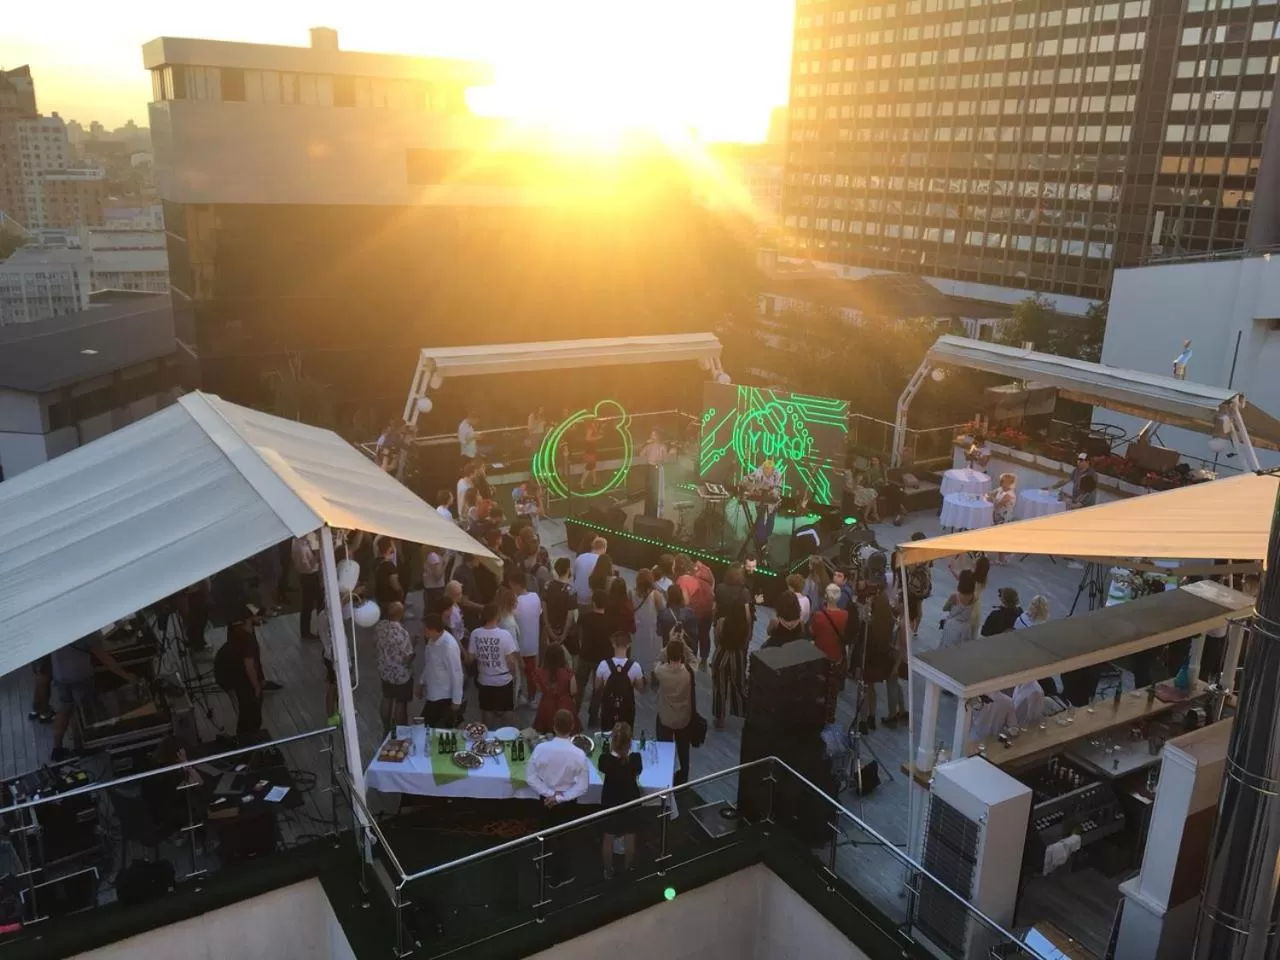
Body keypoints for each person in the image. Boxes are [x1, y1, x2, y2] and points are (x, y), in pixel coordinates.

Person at [526, 709, 591, 889]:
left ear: (554, 726)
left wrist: (549, 794)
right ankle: (559, 875)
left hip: (546, 800)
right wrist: (561, 798)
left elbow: (530, 776)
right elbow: (583, 786)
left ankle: (544, 867)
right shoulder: (578, 755)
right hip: (567, 803)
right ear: (572, 727)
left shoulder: (541, 748)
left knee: (544, 833)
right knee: (564, 838)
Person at [49, 630, 136, 760]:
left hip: (60, 675)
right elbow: (103, 656)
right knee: (85, 711)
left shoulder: (56, 627)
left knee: (65, 708)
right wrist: (127, 676)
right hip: (79, 675)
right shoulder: (85, 628)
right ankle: (84, 746)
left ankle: (57, 748)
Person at [599, 721, 643, 879]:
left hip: (610, 801)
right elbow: (637, 772)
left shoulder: (604, 759)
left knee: (608, 837)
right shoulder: (635, 759)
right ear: (630, 741)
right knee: (630, 836)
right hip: (630, 801)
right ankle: (627, 869)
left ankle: (608, 871)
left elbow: (603, 768)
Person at [466, 604, 521, 728]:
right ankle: (507, 734)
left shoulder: (476, 633)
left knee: (487, 709)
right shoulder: (505, 635)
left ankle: (488, 735)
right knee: (507, 709)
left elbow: (470, 658)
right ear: (497, 617)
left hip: (485, 679)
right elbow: (511, 661)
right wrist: (514, 676)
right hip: (503, 679)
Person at [711, 567, 751, 729]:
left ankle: (719, 717)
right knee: (739, 682)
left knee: (719, 684)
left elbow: (714, 609)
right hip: (737, 645)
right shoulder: (745, 592)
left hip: (722, 640)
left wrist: (716, 625)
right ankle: (742, 711)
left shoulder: (720, 588)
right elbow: (748, 617)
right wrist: (746, 637)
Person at [220, 607, 266, 742]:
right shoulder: (247, 639)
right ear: (248, 619)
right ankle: (249, 738)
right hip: (240, 679)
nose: (260, 618)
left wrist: (261, 676)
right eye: (257, 616)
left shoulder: (241, 633)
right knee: (251, 710)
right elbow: (249, 666)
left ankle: (247, 737)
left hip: (234, 676)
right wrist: (257, 686)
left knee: (247, 710)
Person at [653, 639, 695, 786]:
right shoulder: (688, 672)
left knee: (664, 750)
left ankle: (665, 778)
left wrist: (669, 642)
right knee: (684, 750)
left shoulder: (661, 671)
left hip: (665, 717)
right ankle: (683, 779)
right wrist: (683, 643)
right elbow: (692, 658)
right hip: (683, 718)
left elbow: (658, 659)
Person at [810, 583, 849, 725]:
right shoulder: (845, 615)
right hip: (836, 659)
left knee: (818, 689)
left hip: (821, 658)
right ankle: (829, 719)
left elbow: (812, 633)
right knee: (832, 692)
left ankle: (817, 718)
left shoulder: (819, 616)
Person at [418, 612, 464, 728]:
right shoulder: (431, 641)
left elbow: (457, 674)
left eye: (425, 629)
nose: (422, 631)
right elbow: (429, 663)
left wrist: (456, 700)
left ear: (433, 629)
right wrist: (421, 682)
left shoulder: (449, 647)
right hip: (433, 694)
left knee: (433, 728)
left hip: (444, 697)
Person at [375, 602, 415, 735]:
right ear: (401, 614)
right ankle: (400, 731)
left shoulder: (380, 627)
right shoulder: (402, 633)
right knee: (400, 702)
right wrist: (414, 645)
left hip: (385, 671)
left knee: (387, 698)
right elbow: (407, 657)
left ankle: (386, 729)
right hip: (401, 674)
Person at [578, 589, 614, 723]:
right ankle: (593, 716)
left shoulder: (584, 617)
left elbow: (580, 634)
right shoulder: (610, 622)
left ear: (593, 603)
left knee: (580, 685)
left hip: (585, 655)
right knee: (598, 689)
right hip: (602, 659)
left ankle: (574, 711)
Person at [595, 633, 646, 729]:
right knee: (625, 736)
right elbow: (640, 687)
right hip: (627, 709)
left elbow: (597, 686)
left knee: (607, 735)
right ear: (629, 645)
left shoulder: (603, 665)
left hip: (608, 708)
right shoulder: (635, 666)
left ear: (613, 644)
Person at [675, 555, 715, 668]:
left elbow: (685, 601)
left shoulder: (682, 579)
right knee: (705, 634)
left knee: (693, 636)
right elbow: (712, 585)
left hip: (695, 611)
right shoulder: (704, 568)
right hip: (708, 608)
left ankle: (691, 663)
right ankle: (704, 660)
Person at [511, 572, 544, 707]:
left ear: (517, 585)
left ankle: (519, 696)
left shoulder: (516, 603)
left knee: (517, 674)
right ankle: (531, 698)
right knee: (531, 674)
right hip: (532, 644)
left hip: (519, 646)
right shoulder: (535, 597)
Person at [534, 644, 580, 734]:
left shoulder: (539, 672)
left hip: (546, 705)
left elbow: (539, 689)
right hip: (565, 705)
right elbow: (573, 691)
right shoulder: (568, 672)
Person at [631, 568, 665, 674]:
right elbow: (663, 610)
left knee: (637, 651)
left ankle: (636, 673)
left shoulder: (631, 593)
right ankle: (652, 673)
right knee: (652, 653)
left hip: (636, 629)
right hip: (651, 630)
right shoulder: (656, 595)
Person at [544, 557, 579, 656]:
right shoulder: (571, 590)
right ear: (568, 570)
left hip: (552, 628)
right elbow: (570, 616)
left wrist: (549, 629)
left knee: (553, 654)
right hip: (568, 632)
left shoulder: (547, 585)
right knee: (575, 654)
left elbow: (544, 609)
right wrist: (563, 635)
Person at [291, 534, 322, 640]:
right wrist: (317, 556)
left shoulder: (303, 542)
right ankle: (306, 631)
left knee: (317, 601)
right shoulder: (299, 546)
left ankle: (319, 627)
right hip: (308, 577)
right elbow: (307, 567)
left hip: (311, 575)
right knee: (308, 604)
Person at [940, 571, 977, 649]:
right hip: (966, 627)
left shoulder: (955, 597)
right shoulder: (974, 597)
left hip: (953, 626)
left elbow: (945, 608)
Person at [656, 584, 699, 649]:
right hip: (686, 649)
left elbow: (659, 632)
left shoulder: (662, 614)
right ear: (681, 596)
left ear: (668, 597)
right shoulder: (690, 613)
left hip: (669, 650)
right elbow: (695, 634)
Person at [573, 537, 608, 606]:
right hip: (592, 600)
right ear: (604, 548)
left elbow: (574, 577)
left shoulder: (580, 557)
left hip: (576, 597)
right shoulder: (600, 562)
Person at [373, 539, 403, 609]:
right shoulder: (389, 566)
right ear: (389, 548)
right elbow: (395, 585)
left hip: (378, 597)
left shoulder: (375, 562)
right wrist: (401, 590)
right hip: (389, 600)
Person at [801, 557, 830, 624]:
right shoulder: (826, 579)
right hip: (822, 614)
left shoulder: (810, 582)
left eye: (810, 564)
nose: (808, 566)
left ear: (813, 566)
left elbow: (805, 597)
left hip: (811, 615)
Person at [580, 418, 602, 489]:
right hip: (590, 451)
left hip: (592, 450)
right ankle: (581, 484)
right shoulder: (590, 428)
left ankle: (594, 482)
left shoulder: (594, 427)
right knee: (589, 467)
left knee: (593, 467)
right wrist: (598, 437)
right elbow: (587, 438)